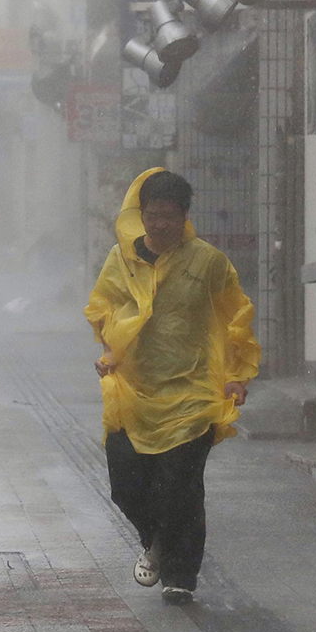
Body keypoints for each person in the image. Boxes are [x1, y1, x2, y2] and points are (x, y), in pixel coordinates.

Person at [85, 168, 260, 605]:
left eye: (169, 216)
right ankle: (156, 542)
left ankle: (181, 574)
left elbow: (235, 317)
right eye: (151, 215)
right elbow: (102, 306)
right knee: (125, 481)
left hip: (194, 391)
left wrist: (237, 373)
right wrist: (111, 347)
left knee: (180, 485)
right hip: (135, 391)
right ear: (139, 215)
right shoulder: (121, 259)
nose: (159, 224)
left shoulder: (208, 262)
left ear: (184, 216)